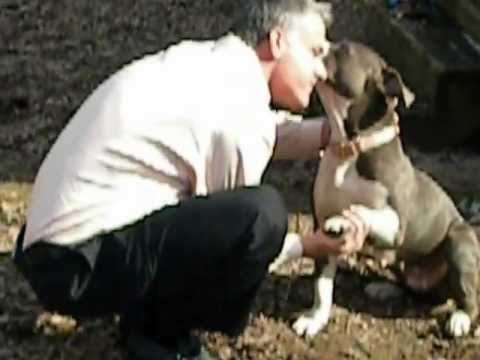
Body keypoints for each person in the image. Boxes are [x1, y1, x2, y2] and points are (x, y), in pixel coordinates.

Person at [13, 0, 369, 359]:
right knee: (262, 216)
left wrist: (328, 134)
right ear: (277, 42)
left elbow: (265, 129)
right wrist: (311, 246)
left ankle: (148, 323)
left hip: (51, 251)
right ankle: (162, 338)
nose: (322, 71)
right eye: (314, 53)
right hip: (75, 268)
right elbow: (232, 248)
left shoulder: (211, 66)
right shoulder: (238, 112)